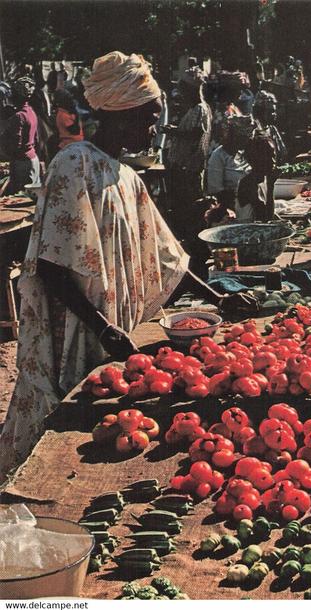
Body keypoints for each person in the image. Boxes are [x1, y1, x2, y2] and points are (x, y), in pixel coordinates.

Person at [0, 51, 256, 481]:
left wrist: (218, 296)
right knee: (56, 416)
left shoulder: (128, 177)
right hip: (73, 323)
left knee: (99, 424)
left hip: (108, 324)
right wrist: (101, 327)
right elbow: (51, 267)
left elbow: (164, 255)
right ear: (119, 114)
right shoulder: (73, 163)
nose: (155, 128)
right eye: (149, 117)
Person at [163, 66, 212, 240]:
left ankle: (194, 238)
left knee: (191, 205)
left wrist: (174, 132)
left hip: (190, 167)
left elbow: (195, 134)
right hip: (184, 166)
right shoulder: (193, 109)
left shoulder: (200, 108)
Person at [0, 77, 40, 193]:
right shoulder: (31, 112)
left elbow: (16, 145)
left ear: (16, 95)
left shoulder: (19, 117)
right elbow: (36, 138)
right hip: (33, 160)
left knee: (21, 198)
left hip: (22, 165)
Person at [207, 114, 253, 210]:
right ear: (232, 136)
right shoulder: (218, 156)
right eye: (242, 137)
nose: (246, 141)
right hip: (229, 207)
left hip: (249, 203)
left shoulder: (245, 154)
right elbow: (216, 192)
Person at [236, 132, 276, 223]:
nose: (273, 161)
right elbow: (265, 218)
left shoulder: (262, 179)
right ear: (257, 158)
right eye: (269, 156)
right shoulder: (248, 183)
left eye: (273, 155)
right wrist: (271, 186)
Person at [252, 90, 287, 164]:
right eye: (270, 111)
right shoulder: (254, 132)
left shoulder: (272, 129)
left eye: (274, 111)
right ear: (260, 112)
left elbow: (282, 153)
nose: (274, 114)